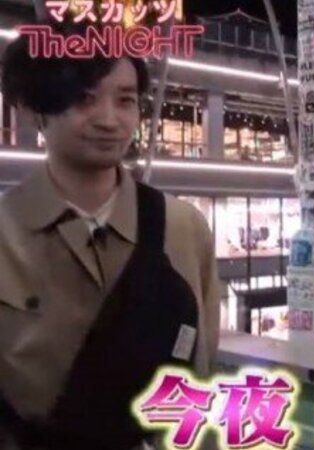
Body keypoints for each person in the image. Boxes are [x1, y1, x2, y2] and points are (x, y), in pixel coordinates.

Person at [0, 23, 220, 449]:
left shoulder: (182, 227)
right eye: (84, 98)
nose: (109, 120)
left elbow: (199, 374)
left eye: (125, 100)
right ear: (38, 109)